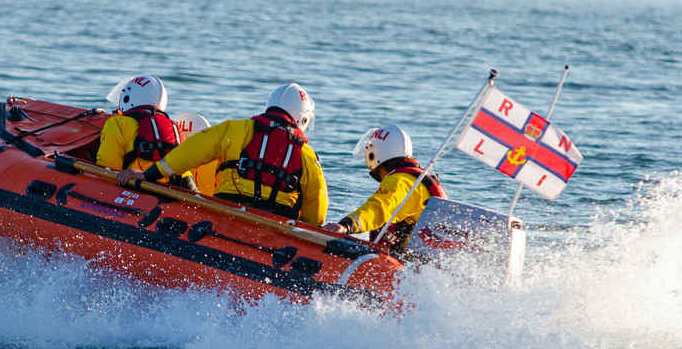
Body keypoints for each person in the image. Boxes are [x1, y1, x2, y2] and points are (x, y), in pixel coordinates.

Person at [117, 83, 329, 226]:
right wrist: (303, 232)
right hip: (276, 225)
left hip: (226, 213)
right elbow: (316, 211)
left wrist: (149, 174)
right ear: (303, 119)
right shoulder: (306, 154)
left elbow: (188, 153)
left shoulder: (234, 129)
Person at [323, 125, 447, 254]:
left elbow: (379, 209)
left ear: (374, 154)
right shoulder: (414, 179)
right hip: (416, 257)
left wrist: (346, 225)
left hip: (405, 260)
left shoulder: (400, 181)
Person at [96, 75, 196, 189]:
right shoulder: (174, 128)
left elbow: (108, 167)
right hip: (168, 192)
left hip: (134, 188)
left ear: (127, 98)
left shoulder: (117, 123)